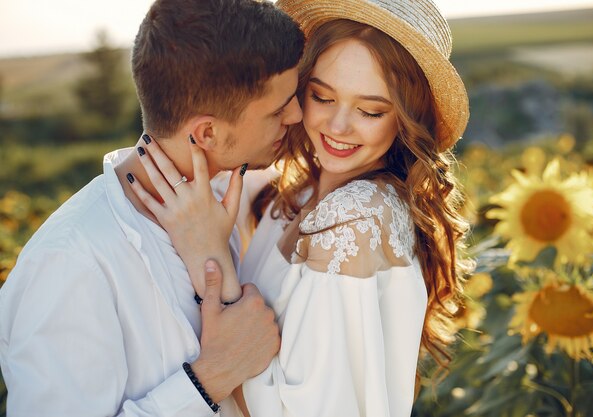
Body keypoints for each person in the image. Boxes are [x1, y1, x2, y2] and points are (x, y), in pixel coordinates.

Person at [130, 0, 474, 416]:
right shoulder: (299, 192)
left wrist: (210, 256)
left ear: (405, 118)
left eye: (370, 110)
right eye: (322, 97)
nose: (338, 126)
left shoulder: (354, 219)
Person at [0, 0, 305, 415]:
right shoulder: (69, 262)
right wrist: (208, 378)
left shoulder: (228, 191)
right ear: (207, 133)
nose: (298, 114)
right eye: (279, 108)